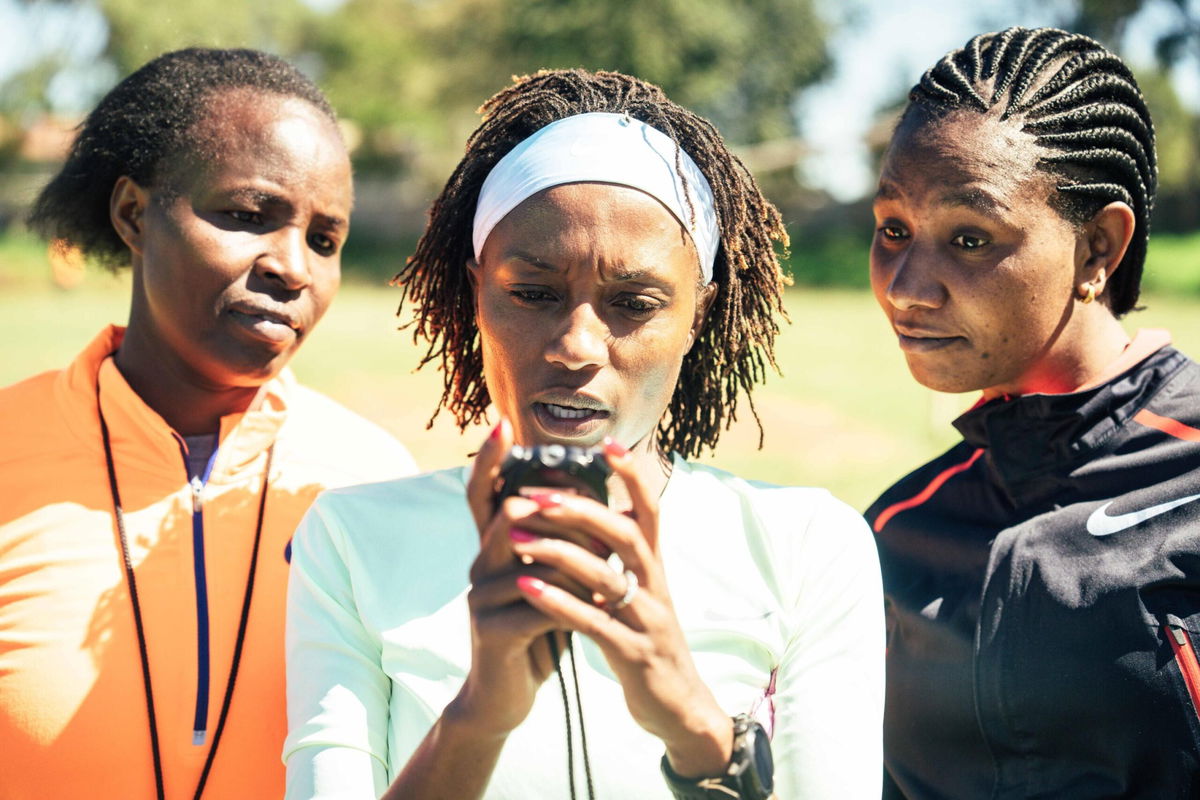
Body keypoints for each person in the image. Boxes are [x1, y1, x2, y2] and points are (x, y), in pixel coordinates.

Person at [284, 69, 885, 800]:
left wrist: (692, 722)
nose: (576, 346)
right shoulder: (353, 540)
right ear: (478, 291)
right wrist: (479, 717)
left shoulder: (809, 546)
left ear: (699, 311)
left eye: (633, 302)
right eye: (533, 294)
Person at [0, 48, 416, 800]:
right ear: (134, 213)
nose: (293, 266)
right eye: (248, 216)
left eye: (325, 240)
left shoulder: (372, 481)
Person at [865, 26, 1200, 800]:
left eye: (970, 237)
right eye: (893, 230)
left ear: (1097, 249)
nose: (907, 286)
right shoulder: (888, 537)